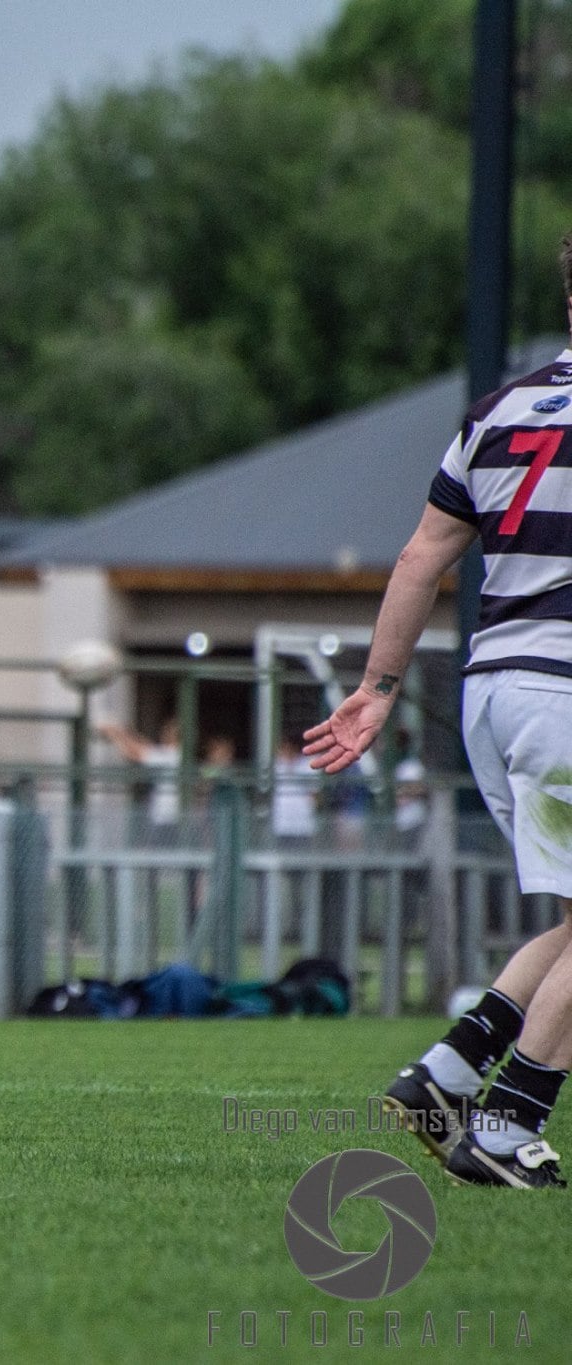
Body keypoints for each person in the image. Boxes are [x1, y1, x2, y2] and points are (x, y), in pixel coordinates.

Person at [306, 233, 572, 1189]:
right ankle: (508, 1128)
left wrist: (377, 689)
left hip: (495, 691)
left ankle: (448, 1075)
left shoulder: (502, 409)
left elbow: (423, 554)